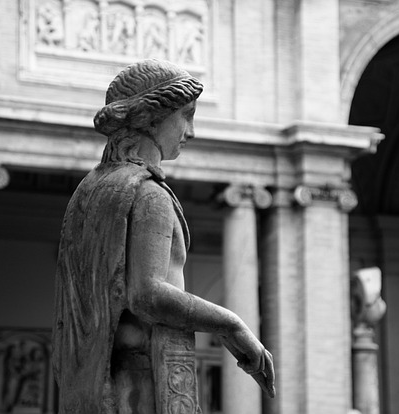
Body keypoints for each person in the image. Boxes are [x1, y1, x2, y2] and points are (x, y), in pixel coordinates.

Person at [52, 59, 275, 414]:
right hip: (143, 384)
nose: (191, 131)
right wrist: (232, 325)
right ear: (151, 117)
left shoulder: (90, 190)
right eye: (187, 116)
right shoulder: (148, 194)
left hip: (94, 381)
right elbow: (147, 295)